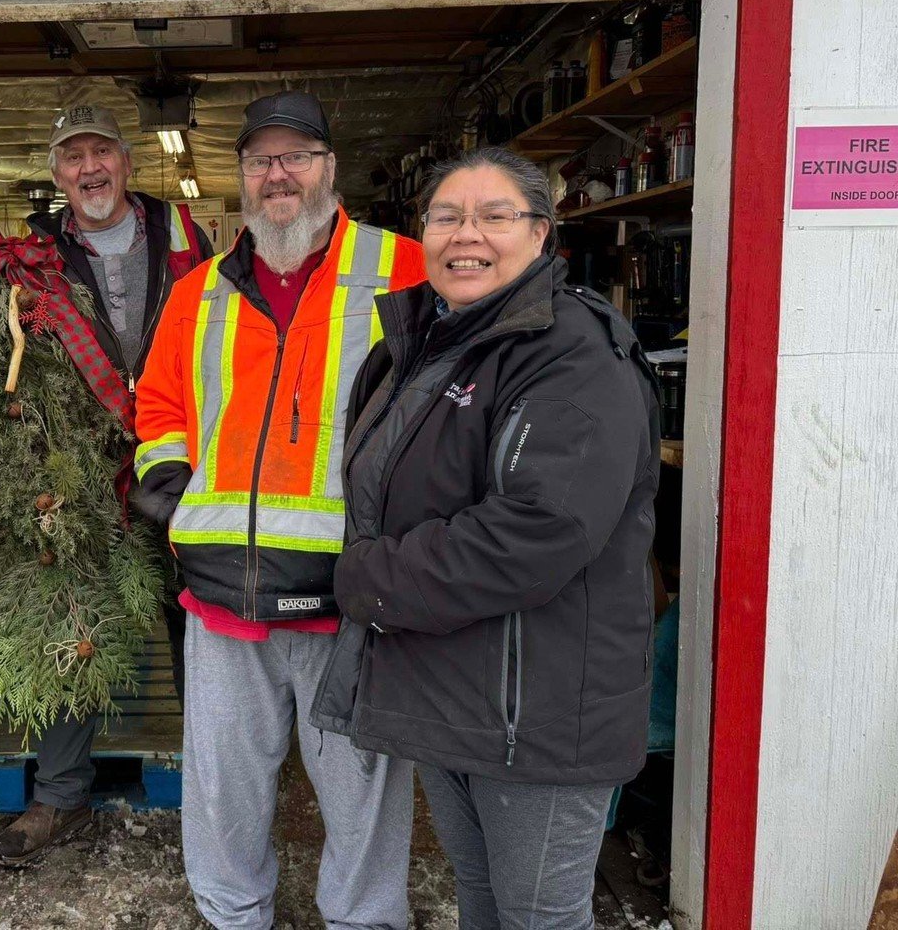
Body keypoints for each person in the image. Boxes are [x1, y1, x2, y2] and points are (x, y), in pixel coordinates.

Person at [311, 146, 661, 930]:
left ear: (541, 234)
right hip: (452, 693)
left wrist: (367, 582)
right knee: (483, 898)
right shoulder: (424, 341)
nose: (466, 234)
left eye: (495, 216)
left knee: (537, 916)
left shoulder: (573, 353)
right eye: (446, 216)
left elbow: (537, 530)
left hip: (535, 710)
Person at [133, 91, 426, 929]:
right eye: (261, 159)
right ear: (242, 177)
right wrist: (173, 487)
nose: (278, 174)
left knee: (362, 786)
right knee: (223, 787)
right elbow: (159, 403)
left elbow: (449, 403)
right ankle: (233, 915)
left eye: (296, 156)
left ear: (330, 168)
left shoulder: (405, 269)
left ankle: (365, 920)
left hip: (351, 594)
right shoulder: (198, 292)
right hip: (223, 592)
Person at [0, 103, 213, 868]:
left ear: (127, 161)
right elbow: (6, 361)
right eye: (73, 156)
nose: (90, 168)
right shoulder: (34, 253)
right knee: (72, 621)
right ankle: (61, 794)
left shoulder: (185, 237)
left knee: (200, 621)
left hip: (178, 460)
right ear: (57, 173)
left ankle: (217, 787)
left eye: (102, 152)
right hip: (78, 473)